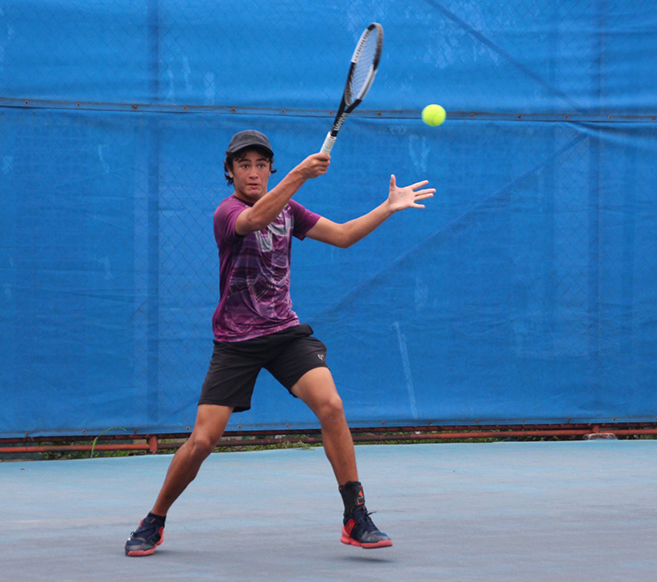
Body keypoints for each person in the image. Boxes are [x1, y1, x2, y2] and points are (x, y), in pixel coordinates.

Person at [125, 129, 435, 556]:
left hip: (284, 333)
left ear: (270, 169)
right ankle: (154, 518)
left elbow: (343, 236)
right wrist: (300, 174)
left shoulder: (290, 210)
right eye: (244, 165)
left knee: (331, 405)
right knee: (202, 441)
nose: (253, 173)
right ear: (230, 172)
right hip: (236, 341)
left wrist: (387, 207)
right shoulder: (227, 212)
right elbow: (254, 220)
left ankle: (355, 515)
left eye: (260, 164)